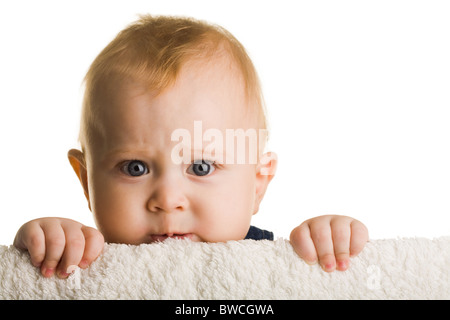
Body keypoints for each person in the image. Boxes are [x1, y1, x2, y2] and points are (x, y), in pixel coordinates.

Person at [13, 15, 368, 279]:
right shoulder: (83, 263)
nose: (167, 200)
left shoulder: (273, 266)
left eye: (201, 167)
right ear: (86, 181)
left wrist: (327, 242)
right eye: (135, 168)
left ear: (257, 185)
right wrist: (45, 246)